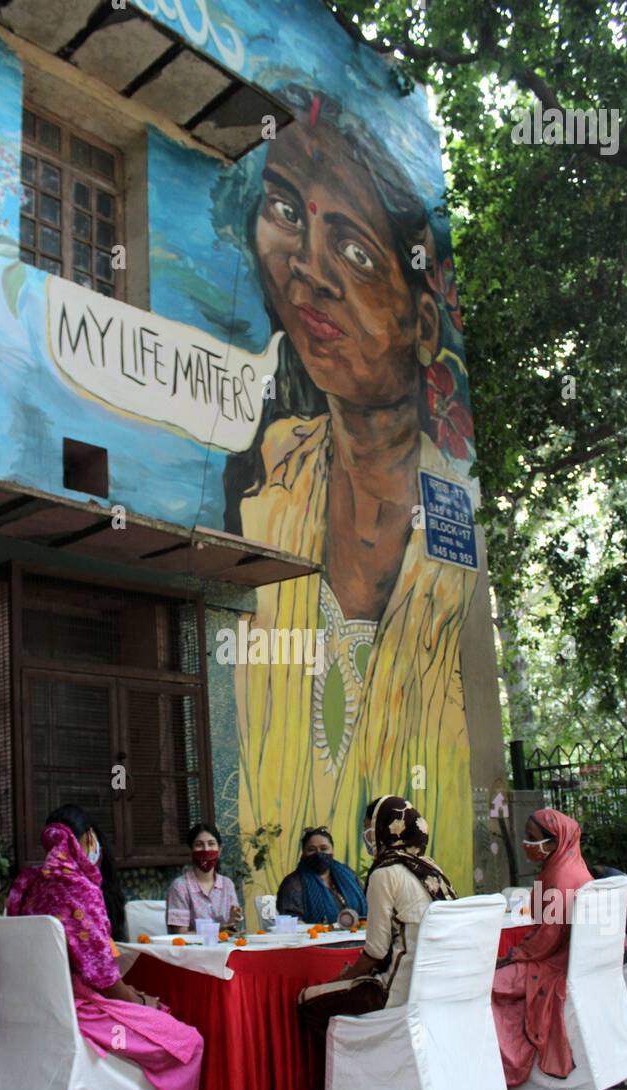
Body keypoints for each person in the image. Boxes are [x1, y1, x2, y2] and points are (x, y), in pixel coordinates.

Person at [222, 84, 478, 899]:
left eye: (357, 253)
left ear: (424, 324)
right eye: (287, 213)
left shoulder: (451, 542)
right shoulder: (260, 481)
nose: (308, 270)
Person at [0, 803, 203, 1090]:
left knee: (156, 1015)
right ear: (90, 839)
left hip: (32, 1014)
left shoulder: (29, 884)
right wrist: (142, 1002)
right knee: (186, 1042)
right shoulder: (77, 888)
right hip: (79, 1013)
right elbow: (104, 977)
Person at [299, 795, 456, 1026]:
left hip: (397, 992)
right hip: (440, 987)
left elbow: (376, 952)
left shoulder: (385, 873)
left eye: (371, 831)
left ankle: (358, 1059)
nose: (369, 839)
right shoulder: (431, 868)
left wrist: (343, 977)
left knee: (307, 1001)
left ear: (385, 830)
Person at [492, 809, 591, 1087]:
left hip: (551, 965)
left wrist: (511, 956)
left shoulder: (558, 878)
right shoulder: (575, 867)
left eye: (532, 838)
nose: (526, 843)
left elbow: (546, 940)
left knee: (487, 983)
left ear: (554, 841)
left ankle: (509, 1066)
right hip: (568, 960)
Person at [275, 825, 367, 923]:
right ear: (303, 853)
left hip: (358, 935)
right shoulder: (293, 884)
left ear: (332, 850)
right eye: (311, 850)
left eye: (324, 849)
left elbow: (366, 902)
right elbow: (291, 921)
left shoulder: (348, 875)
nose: (318, 854)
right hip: (314, 936)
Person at [165, 822, 243, 935]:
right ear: (190, 850)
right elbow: (180, 935)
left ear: (219, 850)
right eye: (199, 844)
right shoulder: (180, 887)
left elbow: (231, 929)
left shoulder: (227, 884)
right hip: (191, 951)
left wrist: (233, 922)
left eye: (211, 844)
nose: (206, 849)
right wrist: (218, 930)